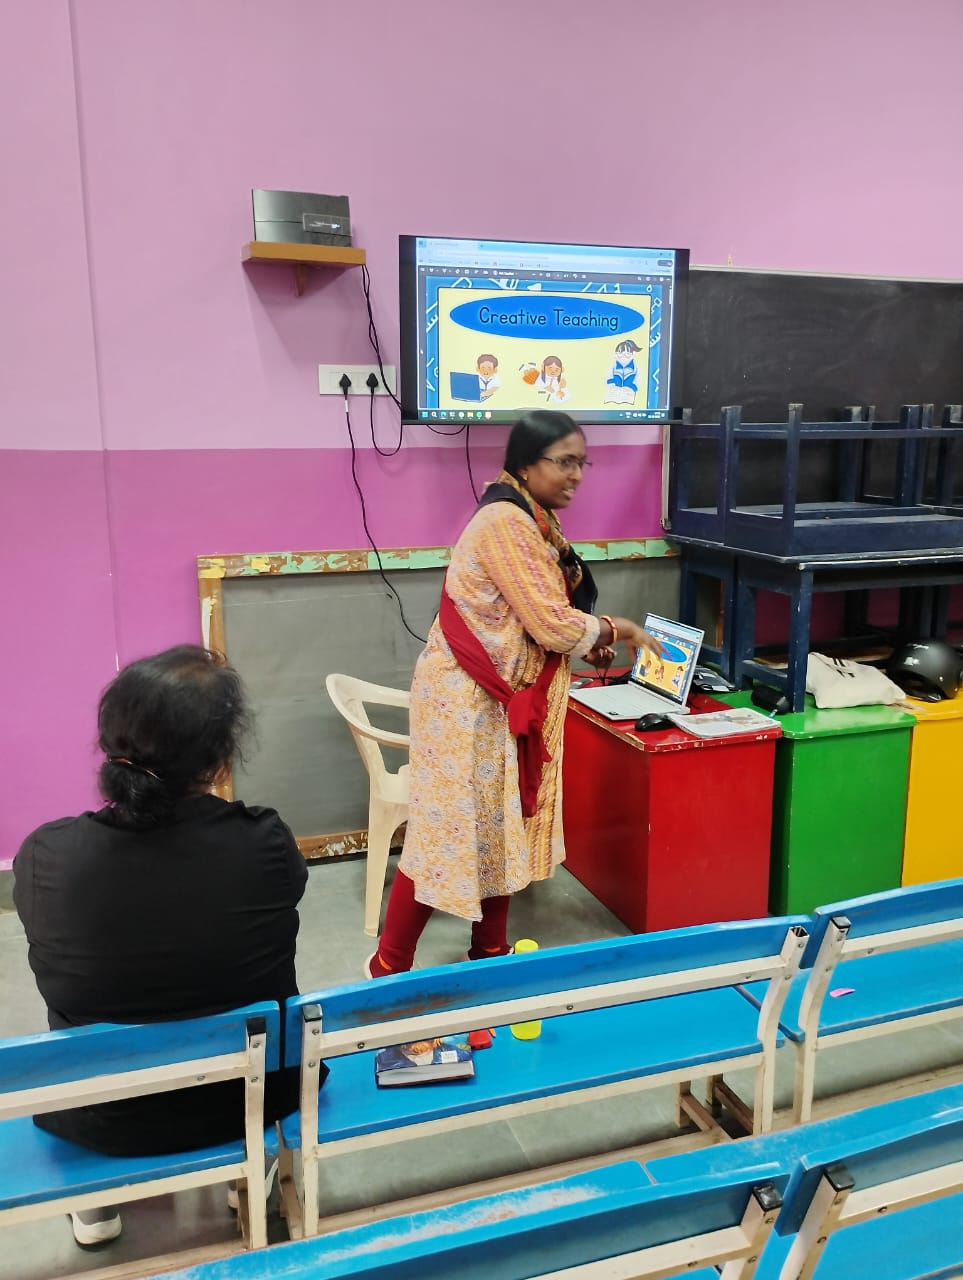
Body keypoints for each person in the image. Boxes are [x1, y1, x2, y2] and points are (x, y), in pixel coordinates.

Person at [13, 645, 316, 1245]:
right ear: (220, 757)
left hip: (102, 1115)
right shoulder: (264, 843)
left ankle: (95, 1201)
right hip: (253, 1098)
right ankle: (250, 1172)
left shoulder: (47, 856)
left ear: (109, 743)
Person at [366, 409, 662, 978]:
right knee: (446, 833)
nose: (576, 475)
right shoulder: (506, 522)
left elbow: (537, 616)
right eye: (565, 461)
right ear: (526, 464)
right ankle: (388, 965)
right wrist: (615, 628)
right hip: (468, 704)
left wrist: (582, 640)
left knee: (503, 823)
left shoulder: (535, 520)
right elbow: (551, 624)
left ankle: (489, 952)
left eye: (583, 463)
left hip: (503, 702)